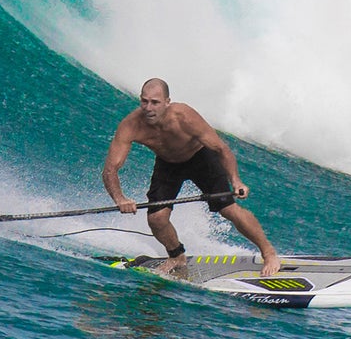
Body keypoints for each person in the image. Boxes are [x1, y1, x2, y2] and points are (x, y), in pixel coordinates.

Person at [103, 78, 281, 276]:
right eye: (144, 101)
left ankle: (269, 253)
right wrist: (119, 199)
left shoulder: (184, 116)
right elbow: (111, 169)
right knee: (156, 219)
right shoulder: (131, 125)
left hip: (201, 159)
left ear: (167, 102)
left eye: (155, 102)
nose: (148, 107)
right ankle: (176, 255)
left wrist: (236, 180)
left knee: (228, 209)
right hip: (168, 165)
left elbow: (221, 149)